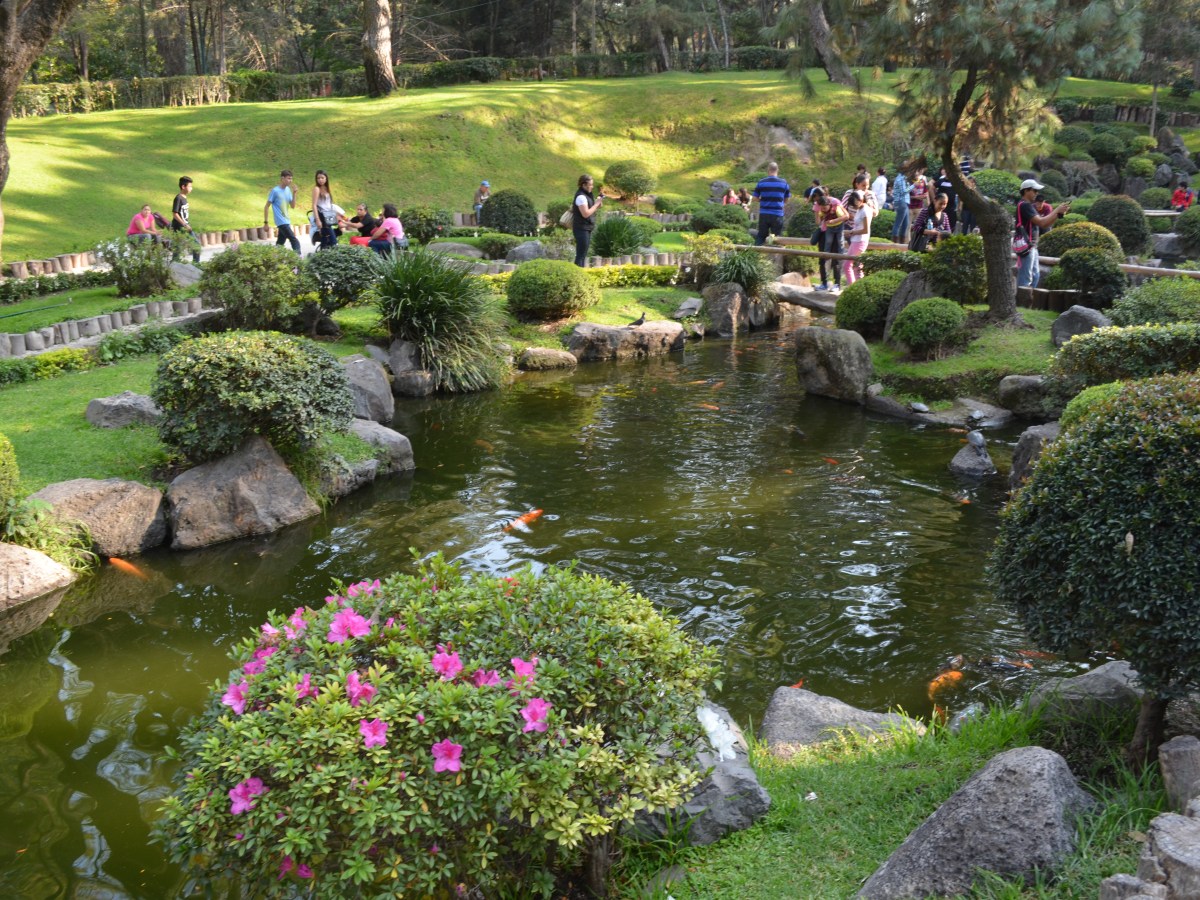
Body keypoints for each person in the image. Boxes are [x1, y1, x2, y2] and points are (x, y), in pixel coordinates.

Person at [1015, 178, 1071, 289]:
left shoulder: (1029, 205)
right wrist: (1056, 210)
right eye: (1035, 190)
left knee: (1035, 276)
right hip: (1027, 246)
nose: (1037, 193)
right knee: (1026, 279)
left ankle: (1028, 297)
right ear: (1026, 191)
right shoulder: (1025, 205)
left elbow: (1045, 225)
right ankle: (1022, 299)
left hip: (1032, 246)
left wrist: (1058, 214)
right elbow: (1042, 222)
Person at [813, 190, 849, 292]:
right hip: (824, 233)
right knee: (823, 259)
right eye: (816, 198)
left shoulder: (835, 203)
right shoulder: (818, 206)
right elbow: (818, 222)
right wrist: (818, 211)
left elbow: (846, 215)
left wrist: (834, 220)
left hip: (835, 231)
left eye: (819, 197)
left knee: (836, 259)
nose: (817, 199)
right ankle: (824, 283)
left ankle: (837, 283)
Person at [752, 161, 791, 246]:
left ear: (768, 170)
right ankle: (775, 254)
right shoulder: (784, 183)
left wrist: (762, 200)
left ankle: (756, 252)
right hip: (777, 214)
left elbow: (754, 198)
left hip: (764, 214)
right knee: (777, 238)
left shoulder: (761, 182)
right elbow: (787, 200)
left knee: (761, 236)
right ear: (777, 170)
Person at [842, 190, 874, 286]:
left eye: (854, 204)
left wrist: (851, 232)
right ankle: (854, 287)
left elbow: (865, 230)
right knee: (850, 266)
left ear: (860, 200)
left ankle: (856, 288)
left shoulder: (865, 210)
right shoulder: (860, 209)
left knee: (855, 267)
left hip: (860, 241)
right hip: (856, 240)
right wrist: (850, 232)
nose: (854, 207)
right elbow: (858, 226)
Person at [265, 170, 300, 253]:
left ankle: (274, 257)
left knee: (280, 243)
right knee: (294, 240)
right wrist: (266, 223)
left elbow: (292, 206)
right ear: (282, 178)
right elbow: (266, 206)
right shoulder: (275, 191)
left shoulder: (288, 190)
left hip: (286, 220)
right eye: (288, 178)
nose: (290, 180)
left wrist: (294, 193)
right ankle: (299, 257)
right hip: (281, 221)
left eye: (291, 178)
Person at [572, 174, 602, 267]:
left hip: (586, 228)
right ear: (584, 185)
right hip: (581, 228)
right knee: (581, 254)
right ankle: (577, 272)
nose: (592, 187)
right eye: (590, 185)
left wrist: (598, 203)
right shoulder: (581, 197)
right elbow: (585, 214)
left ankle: (580, 271)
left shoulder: (587, 195)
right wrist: (596, 205)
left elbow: (592, 209)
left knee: (583, 254)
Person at [171, 176, 200, 263]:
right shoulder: (178, 198)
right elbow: (175, 214)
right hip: (179, 227)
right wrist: (184, 224)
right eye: (190, 186)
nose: (191, 188)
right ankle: (175, 264)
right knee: (178, 248)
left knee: (195, 244)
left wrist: (186, 224)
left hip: (185, 226)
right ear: (183, 186)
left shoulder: (184, 198)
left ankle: (195, 264)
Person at [311, 170, 339, 250]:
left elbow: (329, 205)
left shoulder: (327, 189)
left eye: (322, 178)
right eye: (318, 178)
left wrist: (336, 215)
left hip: (328, 216)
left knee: (325, 237)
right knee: (333, 240)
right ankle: (333, 251)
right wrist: (317, 219)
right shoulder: (317, 189)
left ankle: (322, 253)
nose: (320, 180)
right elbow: (314, 205)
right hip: (321, 215)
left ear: (326, 178)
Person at [891, 169, 912, 243]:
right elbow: (903, 191)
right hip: (901, 202)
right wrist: (914, 186)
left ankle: (901, 243)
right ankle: (894, 244)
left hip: (904, 202)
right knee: (898, 223)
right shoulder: (900, 179)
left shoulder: (904, 178)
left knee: (905, 224)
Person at [936, 167, 958, 233]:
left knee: (952, 223)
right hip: (942, 206)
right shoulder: (941, 181)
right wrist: (934, 198)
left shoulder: (955, 182)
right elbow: (932, 186)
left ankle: (949, 235)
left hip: (951, 206)